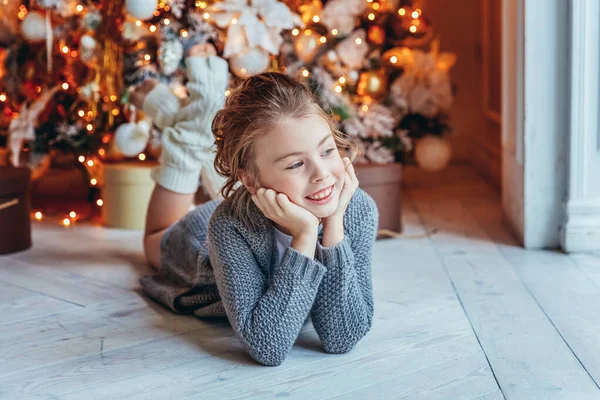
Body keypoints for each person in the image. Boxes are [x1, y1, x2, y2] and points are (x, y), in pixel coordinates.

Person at [139, 69, 379, 367]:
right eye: (295, 164)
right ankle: (187, 137)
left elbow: (343, 336)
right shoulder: (228, 228)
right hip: (197, 245)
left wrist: (333, 226)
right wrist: (305, 236)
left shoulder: (357, 210)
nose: (322, 174)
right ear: (250, 180)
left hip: (259, 205)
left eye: (327, 150)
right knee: (154, 239)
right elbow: (268, 347)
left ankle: (191, 123)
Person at [130, 43, 228, 269]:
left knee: (159, 239)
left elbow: (157, 241)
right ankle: (197, 119)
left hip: (217, 258)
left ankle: (197, 120)